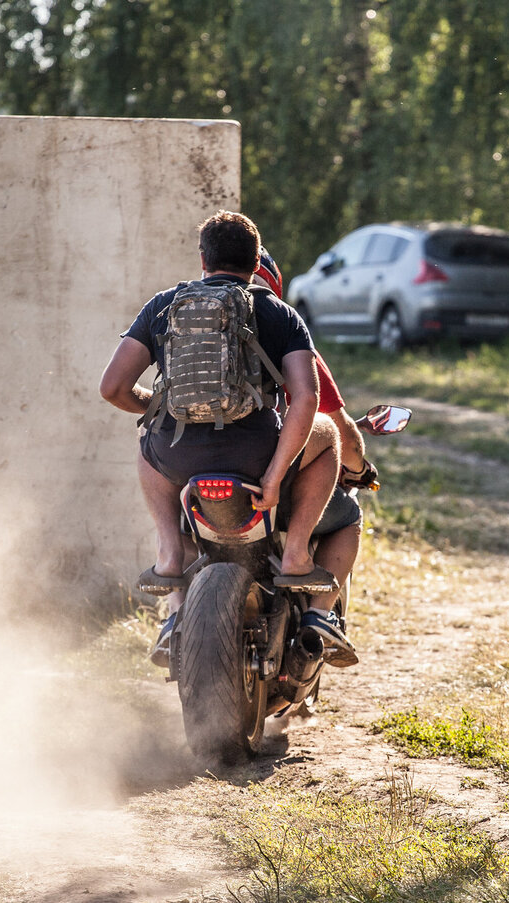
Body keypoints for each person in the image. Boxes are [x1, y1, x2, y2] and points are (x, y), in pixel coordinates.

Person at [98, 211, 351, 666]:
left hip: (179, 458)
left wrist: (160, 411)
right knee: (329, 435)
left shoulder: (162, 305)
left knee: (147, 441)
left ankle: (169, 553)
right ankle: (295, 556)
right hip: (255, 455)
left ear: (202, 259)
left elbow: (112, 388)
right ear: (257, 264)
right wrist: (273, 478)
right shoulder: (277, 312)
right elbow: (307, 399)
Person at [255, 247, 370, 668]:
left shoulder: (188, 330)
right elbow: (337, 427)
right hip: (276, 484)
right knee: (348, 517)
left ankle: (175, 612)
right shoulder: (289, 331)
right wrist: (359, 469)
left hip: (204, 472)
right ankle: (320, 613)